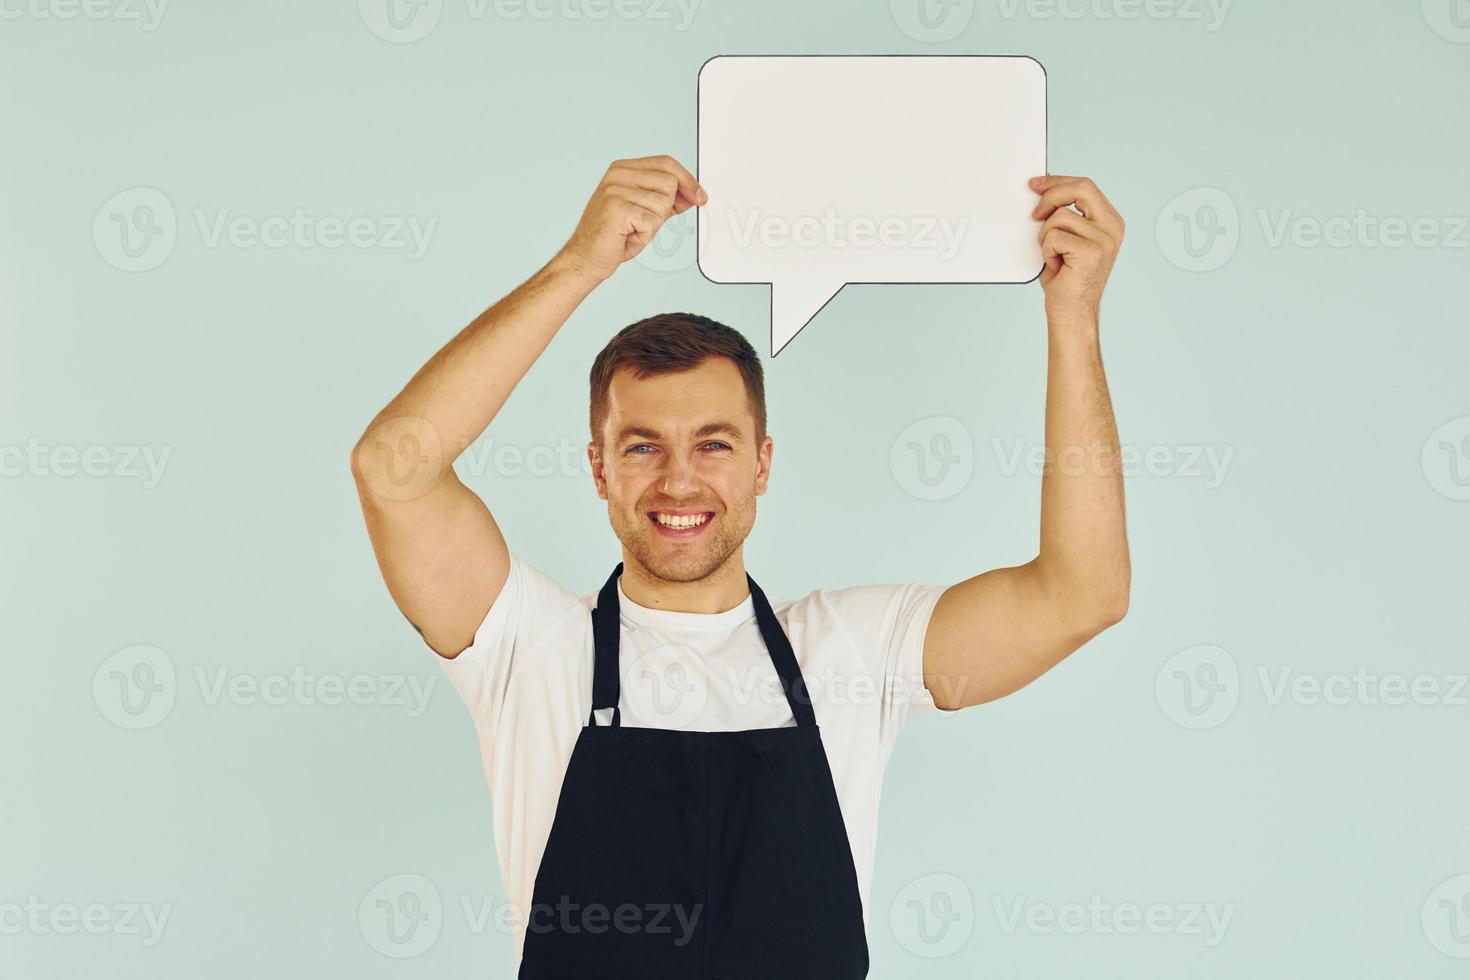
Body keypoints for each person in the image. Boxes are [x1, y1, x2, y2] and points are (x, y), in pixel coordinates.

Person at [349, 155, 1130, 978]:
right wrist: (582, 265)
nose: (679, 481)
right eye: (642, 445)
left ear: (762, 464)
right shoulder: (527, 648)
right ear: (598, 469)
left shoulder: (856, 651)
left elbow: (1083, 593)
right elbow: (392, 469)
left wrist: (1073, 317)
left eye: (712, 445)